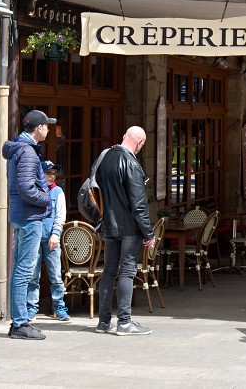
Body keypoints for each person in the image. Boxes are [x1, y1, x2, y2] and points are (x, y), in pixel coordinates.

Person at [96, 126, 154, 336]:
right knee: (127, 272)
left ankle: (103, 322)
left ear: (124, 136)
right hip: (129, 227)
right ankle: (124, 322)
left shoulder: (104, 157)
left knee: (109, 271)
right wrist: (148, 233)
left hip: (109, 224)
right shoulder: (131, 163)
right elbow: (139, 204)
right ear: (139, 142)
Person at [3, 109, 55, 340]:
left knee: (20, 269)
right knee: (24, 269)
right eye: (46, 125)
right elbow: (26, 188)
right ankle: (20, 323)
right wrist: (47, 199)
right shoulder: (28, 152)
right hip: (29, 216)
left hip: (22, 215)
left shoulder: (20, 149)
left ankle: (20, 321)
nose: (49, 129)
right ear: (38, 128)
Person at [27, 161, 69, 322]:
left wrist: (56, 234)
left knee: (56, 275)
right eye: (48, 173)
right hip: (34, 238)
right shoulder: (34, 191)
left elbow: (60, 215)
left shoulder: (57, 192)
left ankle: (59, 306)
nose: (51, 176)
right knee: (32, 275)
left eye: (53, 174)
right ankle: (31, 307)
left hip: (51, 238)